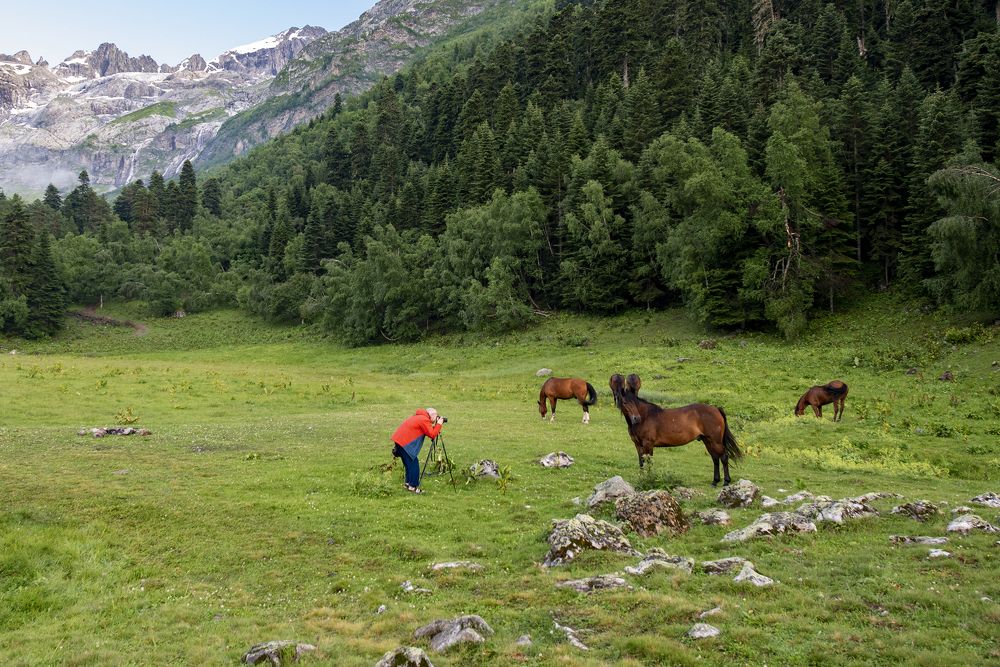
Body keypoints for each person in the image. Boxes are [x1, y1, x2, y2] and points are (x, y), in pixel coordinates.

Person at [390, 407, 444, 494]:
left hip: (400, 441)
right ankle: (413, 487)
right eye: (436, 415)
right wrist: (439, 424)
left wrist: (435, 425)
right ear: (432, 415)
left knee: (409, 464)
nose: (437, 417)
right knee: (414, 464)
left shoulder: (419, 417)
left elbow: (428, 431)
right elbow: (432, 434)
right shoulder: (424, 419)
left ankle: (408, 484)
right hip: (405, 443)